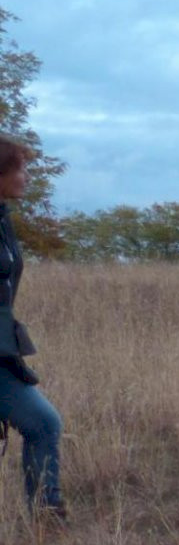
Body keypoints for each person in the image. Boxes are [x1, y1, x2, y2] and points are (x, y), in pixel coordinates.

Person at [0, 134, 63, 519]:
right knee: (43, 422)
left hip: (2, 347)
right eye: (20, 168)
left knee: (43, 422)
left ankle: (45, 519)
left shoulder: (2, 218)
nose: (26, 176)